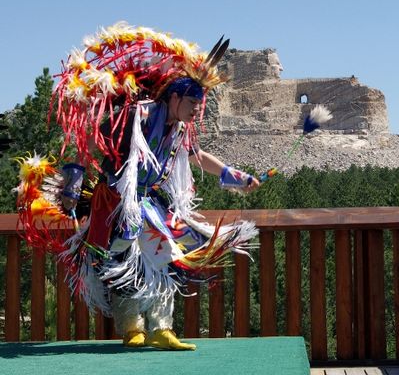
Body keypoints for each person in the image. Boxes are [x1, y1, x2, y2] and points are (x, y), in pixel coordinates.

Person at [17, 22, 260, 351]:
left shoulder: (178, 128)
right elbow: (93, 136)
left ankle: (161, 328)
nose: (196, 110)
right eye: (192, 103)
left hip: (146, 201)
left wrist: (236, 176)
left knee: (165, 256)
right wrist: (75, 173)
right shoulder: (139, 113)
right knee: (123, 258)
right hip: (116, 200)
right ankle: (132, 328)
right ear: (174, 97)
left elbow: (197, 156)